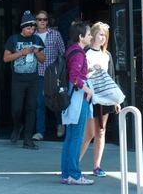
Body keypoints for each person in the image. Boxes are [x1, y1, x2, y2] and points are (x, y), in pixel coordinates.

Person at [79, 22, 121, 177]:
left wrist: (116, 100)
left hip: (105, 96)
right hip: (89, 96)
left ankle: (97, 166)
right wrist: (91, 69)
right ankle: (74, 163)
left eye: (105, 35)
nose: (103, 38)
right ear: (94, 34)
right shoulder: (85, 53)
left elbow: (111, 78)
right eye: (101, 34)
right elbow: (79, 75)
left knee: (101, 131)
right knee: (88, 133)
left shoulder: (107, 55)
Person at [3, 10, 46, 150]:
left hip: (33, 79)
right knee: (16, 107)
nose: (31, 30)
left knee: (31, 108)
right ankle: (17, 127)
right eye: (29, 28)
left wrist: (37, 52)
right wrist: (22, 52)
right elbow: (6, 58)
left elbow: (43, 60)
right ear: (23, 27)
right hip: (18, 79)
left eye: (33, 28)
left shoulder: (37, 40)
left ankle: (27, 139)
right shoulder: (13, 39)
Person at [60, 21, 94, 185]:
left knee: (70, 137)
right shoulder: (79, 53)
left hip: (71, 98)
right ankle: (74, 174)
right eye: (88, 34)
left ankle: (67, 174)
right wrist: (89, 90)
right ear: (81, 37)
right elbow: (75, 77)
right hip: (78, 99)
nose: (91, 36)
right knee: (76, 138)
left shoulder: (71, 51)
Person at [32, 10, 66, 141]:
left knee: (55, 100)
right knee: (39, 103)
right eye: (39, 19)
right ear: (36, 21)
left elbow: (62, 53)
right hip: (38, 73)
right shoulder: (32, 35)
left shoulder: (55, 34)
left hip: (53, 74)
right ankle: (40, 131)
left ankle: (60, 123)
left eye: (44, 19)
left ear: (48, 21)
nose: (42, 22)